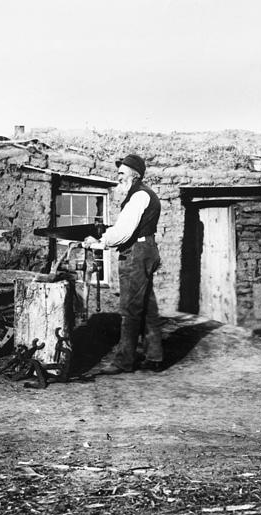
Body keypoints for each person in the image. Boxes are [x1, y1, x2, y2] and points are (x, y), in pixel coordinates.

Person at [83, 154, 164, 375]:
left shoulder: (138, 196)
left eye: (122, 172)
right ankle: (155, 356)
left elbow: (124, 231)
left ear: (135, 174)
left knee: (129, 308)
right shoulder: (143, 194)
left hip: (137, 252)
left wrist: (101, 241)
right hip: (146, 249)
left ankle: (124, 361)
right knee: (147, 305)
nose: (118, 175)